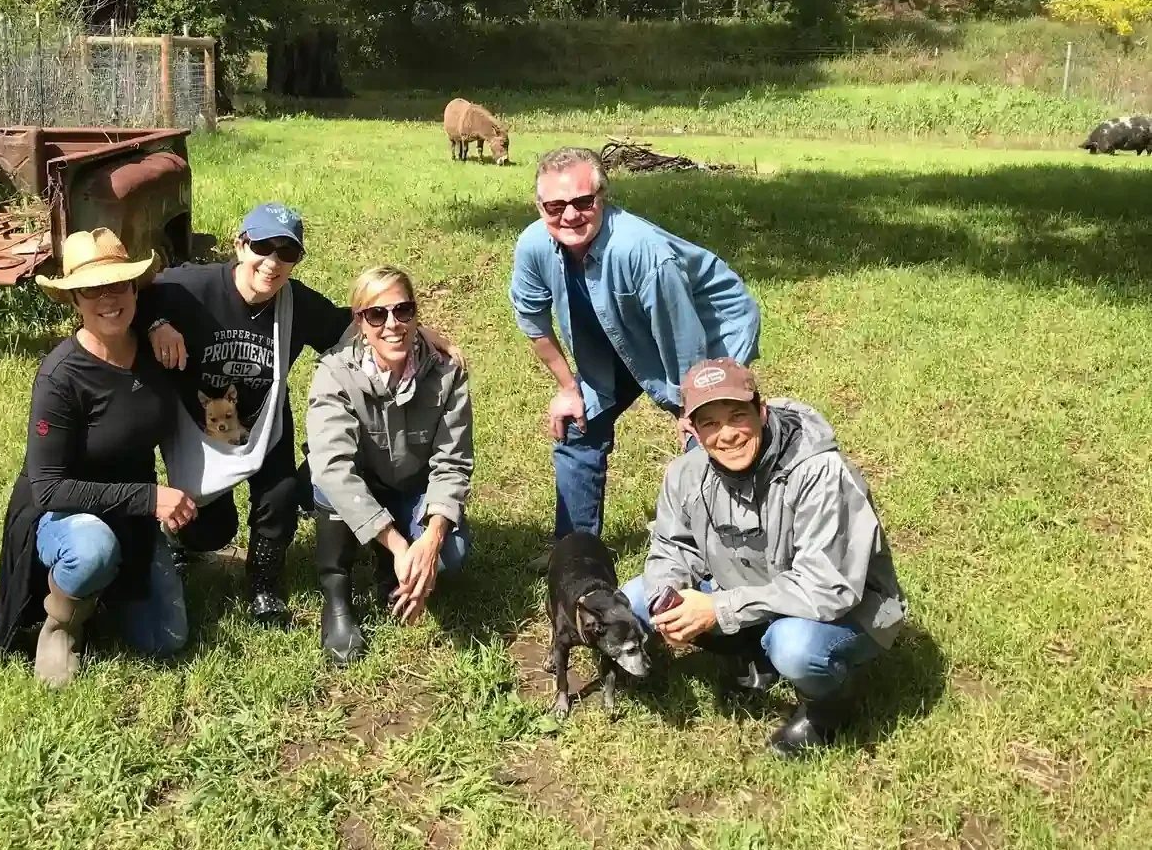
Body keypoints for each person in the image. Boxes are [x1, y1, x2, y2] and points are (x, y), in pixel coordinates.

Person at [137, 204, 460, 626]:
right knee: (210, 530)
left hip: (263, 420)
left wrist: (418, 330)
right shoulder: (190, 285)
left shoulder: (297, 303)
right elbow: (134, 296)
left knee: (281, 495)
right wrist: (156, 322)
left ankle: (264, 585)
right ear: (240, 245)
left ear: (296, 261)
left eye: (286, 253)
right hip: (201, 428)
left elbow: (354, 325)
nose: (271, 262)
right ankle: (180, 544)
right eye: (262, 247)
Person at [622, 358, 908, 757]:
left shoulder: (820, 473)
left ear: (762, 410)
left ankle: (829, 709)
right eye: (709, 423)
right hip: (748, 593)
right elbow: (672, 546)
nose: (726, 435)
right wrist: (667, 598)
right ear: (691, 429)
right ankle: (752, 655)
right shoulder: (685, 474)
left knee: (796, 646)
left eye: (737, 415)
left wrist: (718, 609)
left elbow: (826, 588)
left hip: (846, 607)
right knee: (634, 599)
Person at [0, 228, 197, 687]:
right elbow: (48, 486)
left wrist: (159, 323)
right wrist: (148, 498)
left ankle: (104, 590)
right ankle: (62, 625)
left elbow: (198, 290)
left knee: (165, 640)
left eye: (118, 285)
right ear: (74, 300)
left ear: (135, 289)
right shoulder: (60, 376)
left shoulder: (155, 347)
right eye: (91, 291)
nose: (107, 299)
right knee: (93, 549)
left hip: (131, 511)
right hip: (65, 513)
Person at [508, 146, 761, 542]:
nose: (569, 215)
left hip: (706, 329)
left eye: (582, 202)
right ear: (539, 206)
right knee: (578, 424)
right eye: (555, 206)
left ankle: (723, 546)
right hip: (621, 333)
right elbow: (533, 320)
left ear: (602, 198)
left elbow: (681, 332)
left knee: (713, 437)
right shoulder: (534, 245)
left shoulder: (640, 251)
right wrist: (568, 388)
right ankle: (575, 550)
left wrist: (689, 407)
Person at [306, 266, 472, 666]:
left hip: (413, 485)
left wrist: (431, 539)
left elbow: (453, 461)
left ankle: (389, 570)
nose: (392, 324)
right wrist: (400, 545)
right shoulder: (334, 374)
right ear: (359, 322)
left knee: (453, 553)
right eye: (377, 315)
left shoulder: (447, 371)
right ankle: (338, 595)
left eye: (403, 311)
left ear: (416, 314)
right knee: (328, 484)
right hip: (363, 482)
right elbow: (333, 468)